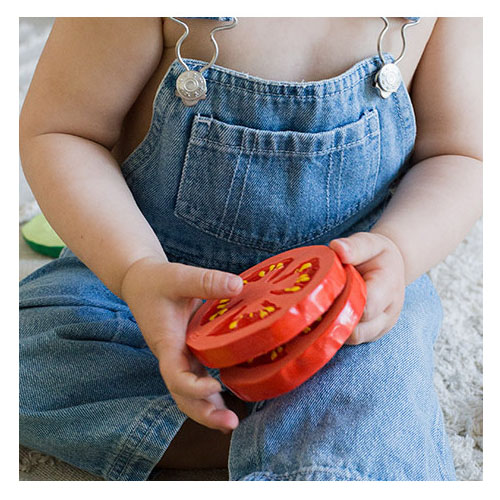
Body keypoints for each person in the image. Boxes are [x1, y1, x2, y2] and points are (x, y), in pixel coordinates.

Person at [19, 17, 482, 481]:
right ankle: (273, 435)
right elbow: (64, 131)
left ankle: (310, 446)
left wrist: (397, 248)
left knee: (379, 365)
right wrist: (134, 269)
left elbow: (460, 154)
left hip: (344, 304)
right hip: (158, 273)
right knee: (26, 359)